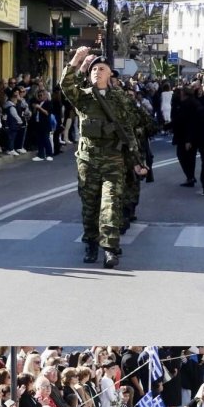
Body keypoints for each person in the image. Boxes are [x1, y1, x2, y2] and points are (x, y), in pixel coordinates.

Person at [60, 46, 148, 268]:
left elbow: (128, 132)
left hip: (113, 160)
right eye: (93, 69)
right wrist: (78, 59)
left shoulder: (120, 100)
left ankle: (109, 248)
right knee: (90, 206)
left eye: (102, 69)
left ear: (110, 74)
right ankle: (90, 243)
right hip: (88, 161)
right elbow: (65, 85)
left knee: (110, 205)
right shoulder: (83, 98)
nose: (97, 72)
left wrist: (137, 162)